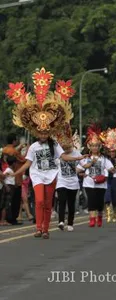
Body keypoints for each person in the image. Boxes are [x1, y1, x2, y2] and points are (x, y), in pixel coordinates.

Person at [6, 67, 85, 238]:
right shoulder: (33, 147)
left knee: (48, 203)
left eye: (45, 132)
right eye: (40, 132)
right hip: (37, 175)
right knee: (40, 200)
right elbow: (27, 163)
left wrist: (78, 157)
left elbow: (62, 156)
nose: (42, 134)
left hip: (51, 174)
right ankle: (38, 228)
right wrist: (15, 173)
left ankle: (45, 229)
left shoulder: (54, 145)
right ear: (36, 132)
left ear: (48, 132)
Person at [77, 125, 115, 227]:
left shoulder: (104, 159)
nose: (94, 147)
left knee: (99, 202)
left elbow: (110, 168)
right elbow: (78, 169)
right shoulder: (86, 158)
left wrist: (113, 169)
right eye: (92, 145)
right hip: (89, 182)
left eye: (96, 145)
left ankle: (99, 217)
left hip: (101, 183)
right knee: (91, 200)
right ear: (89, 146)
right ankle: (92, 219)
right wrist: (81, 173)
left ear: (99, 147)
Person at [54, 125, 82, 232]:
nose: (65, 150)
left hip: (73, 182)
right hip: (62, 181)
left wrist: (77, 170)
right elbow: (54, 166)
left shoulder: (77, 153)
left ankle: (70, 223)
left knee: (71, 203)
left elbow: (83, 164)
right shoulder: (58, 155)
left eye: (67, 148)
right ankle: (61, 221)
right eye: (63, 148)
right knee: (62, 201)